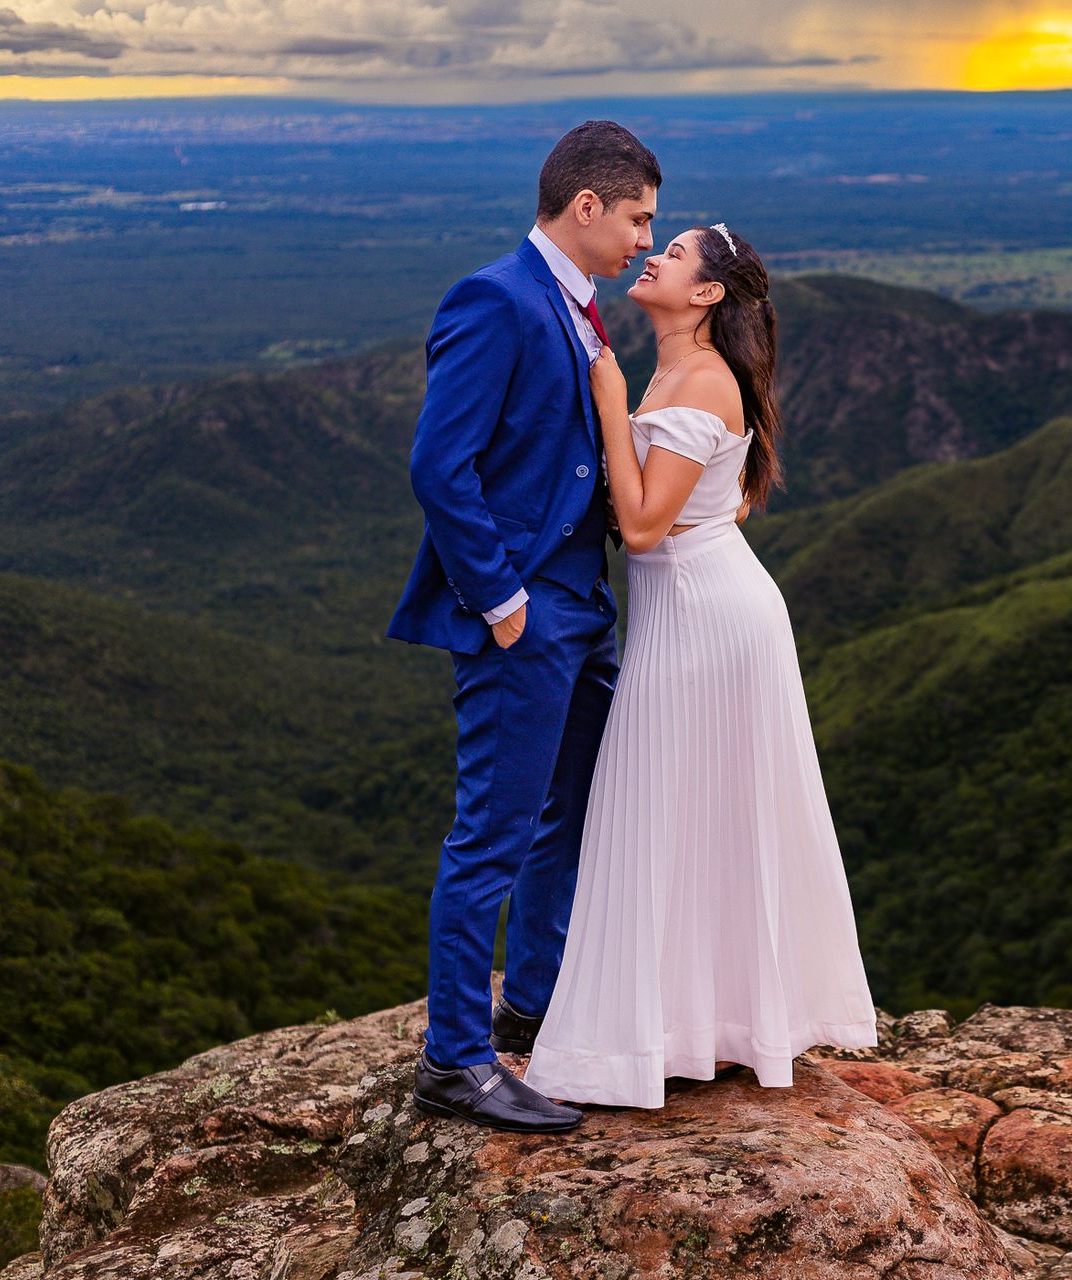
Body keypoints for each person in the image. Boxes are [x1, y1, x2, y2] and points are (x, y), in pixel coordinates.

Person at [521, 222, 879, 1108]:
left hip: (703, 622)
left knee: (656, 805)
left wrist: (605, 392)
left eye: (674, 253)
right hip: (703, 604)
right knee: (699, 813)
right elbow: (723, 504)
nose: (654, 257)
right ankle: (702, 1025)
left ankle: (662, 1033)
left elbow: (642, 527)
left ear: (708, 295)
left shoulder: (700, 380)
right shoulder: (690, 374)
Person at [386, 121, 659, 1133]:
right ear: (586, 206)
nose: (642, 239)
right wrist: (504, 605)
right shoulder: (496, 298)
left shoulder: (578, 305)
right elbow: (438, 466)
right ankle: (454, 1061)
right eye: (637, 218)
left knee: (573, 815)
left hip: (586, 611)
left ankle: (533, 1004)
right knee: (488, 837)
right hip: (528, 618)